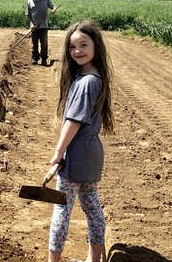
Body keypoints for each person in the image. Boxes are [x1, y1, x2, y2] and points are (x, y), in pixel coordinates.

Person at [48, 19, 115, 262]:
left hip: (76, 156)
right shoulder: (94, 76)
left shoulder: (86, 82)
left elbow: (73, 122)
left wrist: (58, 152)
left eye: (83, 45)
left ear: (96, 46)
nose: (77, 51)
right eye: (72, 46)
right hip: (91, 154)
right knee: (92, 207)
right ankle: (93, 259)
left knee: (62, 210)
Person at [25, 0, 56, 66]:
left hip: (43, 26)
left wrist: (53, 10)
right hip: (34, 27)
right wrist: (31, 24)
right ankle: (35, 58)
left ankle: (44, 59)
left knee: (44, 43)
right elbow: (28, 15)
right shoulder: (29, 2)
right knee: (34, 43)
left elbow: (53, 6)